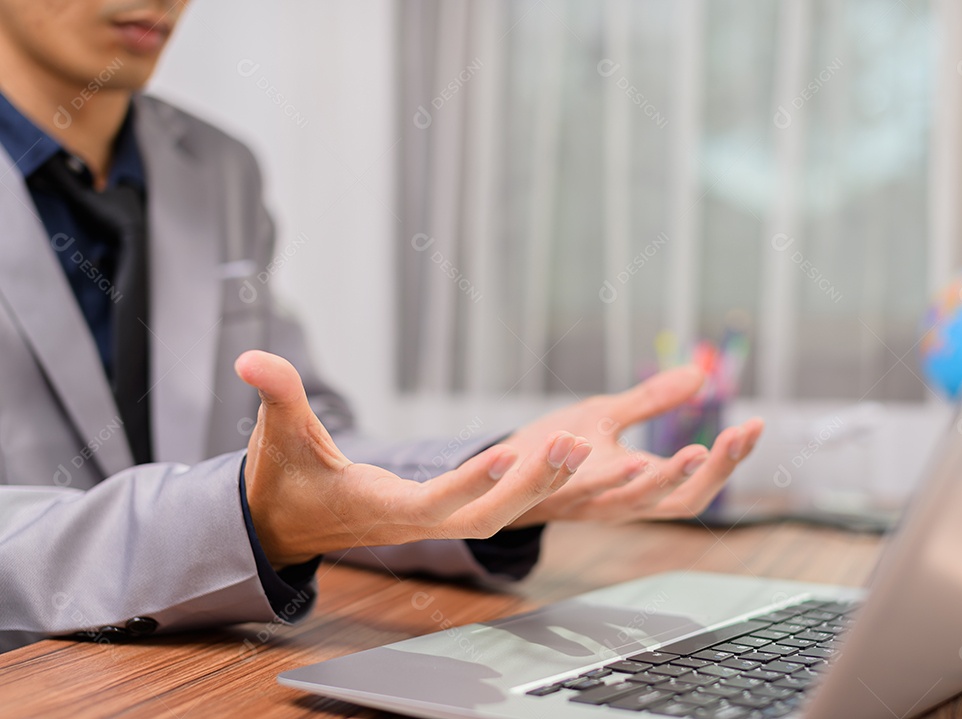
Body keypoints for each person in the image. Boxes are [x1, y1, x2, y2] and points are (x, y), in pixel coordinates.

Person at [0, 0, 764, 652]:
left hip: (184, 665)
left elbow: (309, 449)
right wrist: (250, 518)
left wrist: (497, 478)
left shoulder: (218, 168)